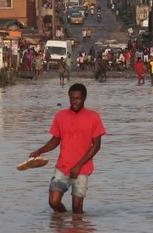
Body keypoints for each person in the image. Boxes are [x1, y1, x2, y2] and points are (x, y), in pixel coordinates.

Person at [29, 83, 106, 214]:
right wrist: (40, 150)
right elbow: (55, 140)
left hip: (82, 169)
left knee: (77, 209)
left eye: (78, 98)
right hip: (63, 167)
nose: (74, 101)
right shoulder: (60, 116)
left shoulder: (94, 117)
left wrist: (78, 165)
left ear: (84, 98)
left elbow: (97, 146)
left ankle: (75, 232)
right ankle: (61, 223)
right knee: (53, 202)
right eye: (72, 98)